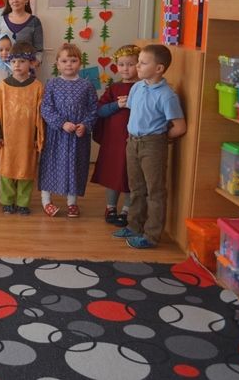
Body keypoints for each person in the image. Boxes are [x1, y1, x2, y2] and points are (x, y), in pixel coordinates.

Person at [113, 44, 186, 249]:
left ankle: (151, 235)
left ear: (159, 69)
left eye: (143, 63)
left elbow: (180, 127)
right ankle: (134, 226)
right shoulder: (137, 87)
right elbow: (135, 110)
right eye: (138, 62)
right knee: (136, 187)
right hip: (132, 142)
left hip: (153, 145)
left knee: (155, 191)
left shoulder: (167, 95)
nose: (137, 66)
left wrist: (159, 138)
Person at [39, 44, 98, 218]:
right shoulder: (52, 84)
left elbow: (93, 109)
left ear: (80, 63)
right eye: (64, 61)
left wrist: (85, 125)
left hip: (78, 137)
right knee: (51, 165)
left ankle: (72, 202)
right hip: (56, 135)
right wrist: (62, 123)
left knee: (75, 166)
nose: (69, 64)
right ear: (58, 64)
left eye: (73, 60)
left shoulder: (87, 85)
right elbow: (46, 108)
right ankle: (46, 201)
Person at [0, 43, 45, 215]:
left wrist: (37, 137)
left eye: (21, 61)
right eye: (13, 61)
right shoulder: (3, 86)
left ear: (31, 63)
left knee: (26, 169)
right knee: (6, 169)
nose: (17, 65)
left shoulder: (37, 87)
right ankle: (7, 201)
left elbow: (40, 116)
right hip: (8, 137)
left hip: (27, 137)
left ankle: (23, 203)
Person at [91, 45, 140, 227]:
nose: (125, 69)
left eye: (130, 64)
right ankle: (110, 207)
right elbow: (100, 110)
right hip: (114, 140)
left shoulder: (142, 88)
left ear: (139, 66)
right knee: (113, 173)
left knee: (130, 175)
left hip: (133, 140)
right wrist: (117, 106)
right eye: (121, 64)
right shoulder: (114, 88)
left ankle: (126, 210)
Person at [0, 0, 44, 64]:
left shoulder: (35, 22)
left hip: (26, 69)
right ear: (8, 0)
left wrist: (33, 64)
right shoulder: (0, 21)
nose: (15, 0)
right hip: (3, 68)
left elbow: (39, 50)